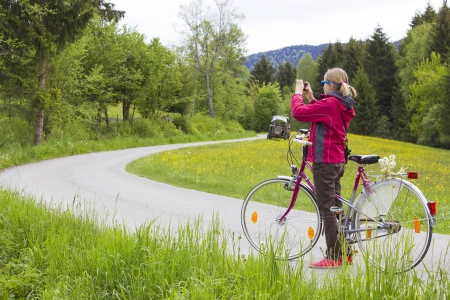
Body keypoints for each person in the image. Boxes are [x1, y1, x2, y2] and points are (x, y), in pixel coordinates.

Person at [291, 67, 357, 268]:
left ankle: (334, 257)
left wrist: (297, 93)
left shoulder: (330, 103)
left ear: (331, 85)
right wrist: (311, 97)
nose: (322, 86)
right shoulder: (341, 104)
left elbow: (298, 112)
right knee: (336, 209)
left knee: (327, 209)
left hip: (325, 163)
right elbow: (325, 116)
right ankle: (345, 254)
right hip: (337, 162)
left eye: (323, 83)